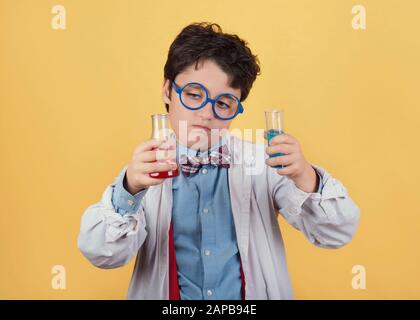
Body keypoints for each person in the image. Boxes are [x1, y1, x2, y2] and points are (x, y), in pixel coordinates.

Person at [78, 22, 360, 300]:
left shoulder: (263, 164)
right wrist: (129, 190)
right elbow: (102, 254)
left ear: (236, 108)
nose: (205, 113)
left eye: (223, 103)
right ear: (167, 91)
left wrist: (305, 177)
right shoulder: (145, 169)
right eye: (193, 95)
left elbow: (336, 234)